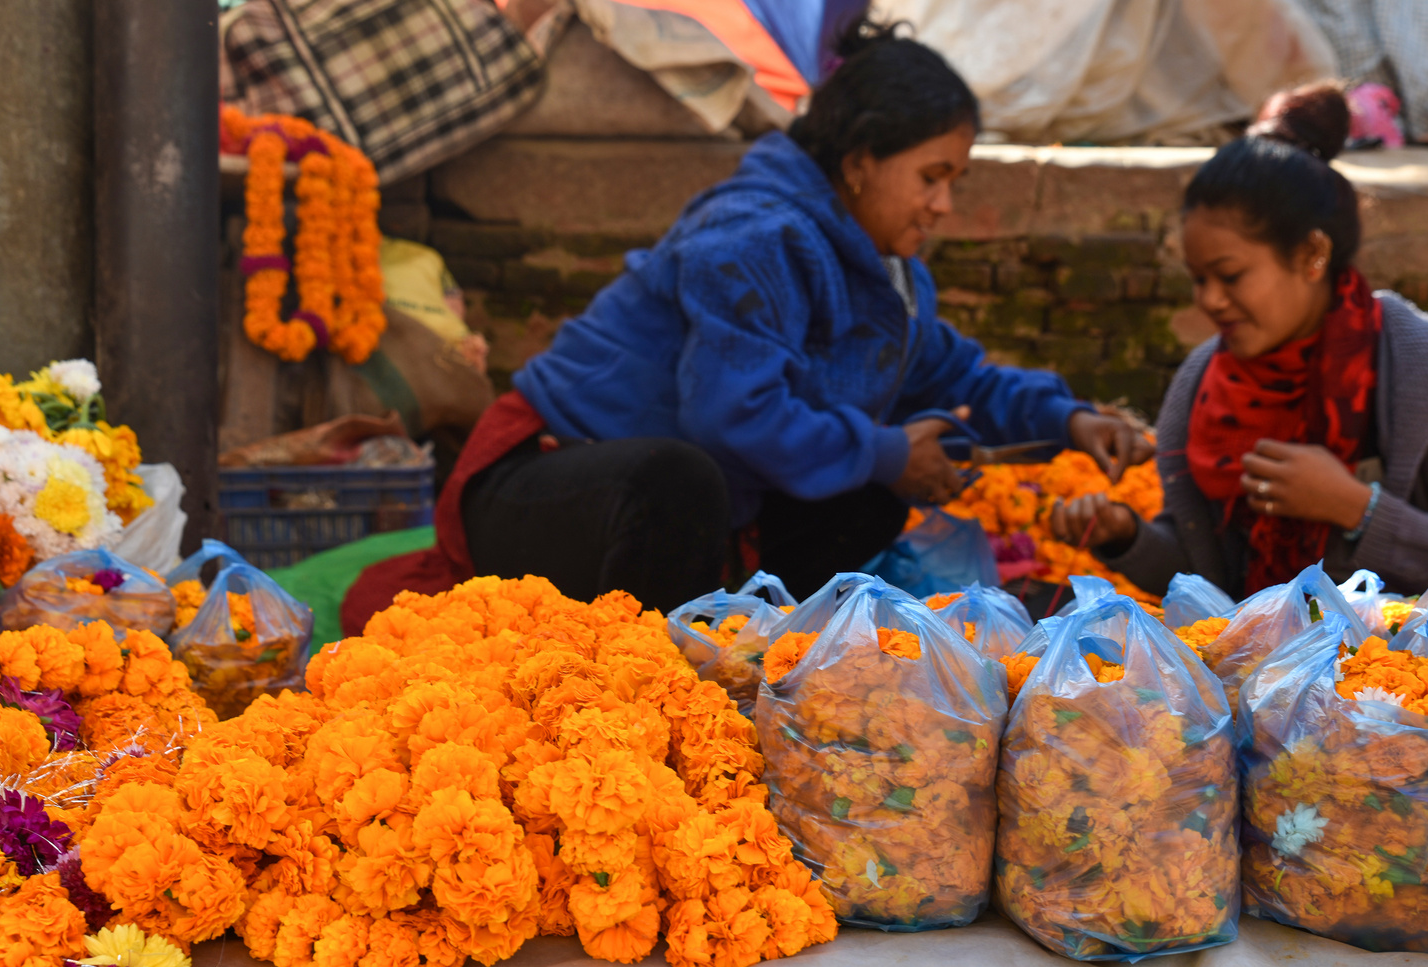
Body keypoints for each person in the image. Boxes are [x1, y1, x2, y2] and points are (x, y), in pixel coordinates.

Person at [344, 20, 1144, 628]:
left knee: (864, 501)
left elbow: (962, 375)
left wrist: (1068, 419)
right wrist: (889, 449)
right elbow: (730, 415)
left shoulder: (891, 279)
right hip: (545, 482)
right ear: (861, 161)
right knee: (682, 476)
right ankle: (660, 683)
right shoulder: (756, 238)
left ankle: (741, 640)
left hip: (681, 512)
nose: (943, 205)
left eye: (954, 181)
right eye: (931, 178)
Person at [1049, 84, 1428, 620]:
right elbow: (1209, 577)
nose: (1209, 301)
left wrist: (1356, 508)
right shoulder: (1204, 383)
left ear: (1312, 254)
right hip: (1268, 684)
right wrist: (1126, 536)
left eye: (1230, 276)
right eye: (1198, 278)